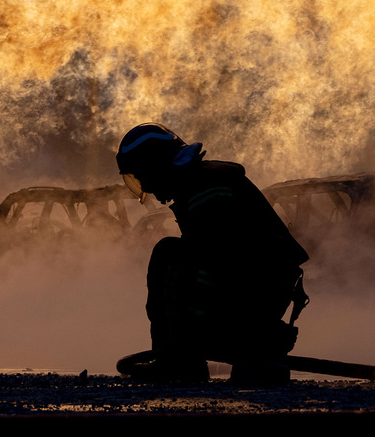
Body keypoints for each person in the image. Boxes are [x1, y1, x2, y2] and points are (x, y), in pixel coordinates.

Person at [115, 123, 309, 383]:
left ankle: (180, 362)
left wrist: (184, 336)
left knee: (168, 254)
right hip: (261, 294)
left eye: (142, 177)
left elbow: (220, 265)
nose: (146, 188)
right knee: (179, 258)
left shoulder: (206, 189)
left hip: (256, 293)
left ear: (156, 166)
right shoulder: (201, 184)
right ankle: (246, 346)